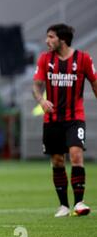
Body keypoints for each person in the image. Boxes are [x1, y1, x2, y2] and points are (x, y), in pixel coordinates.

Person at [32, 23, 97, 218]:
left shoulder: (83, 59)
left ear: (62, 39)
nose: (47, 41)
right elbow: (36, 86)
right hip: (52, 119)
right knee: (58, 160)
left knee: (76, 154)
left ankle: (79, 203)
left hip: (75, 118)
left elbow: (94, 84)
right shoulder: (45, 59)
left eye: (51, 37)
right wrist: (42, 100)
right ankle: (64, 206)